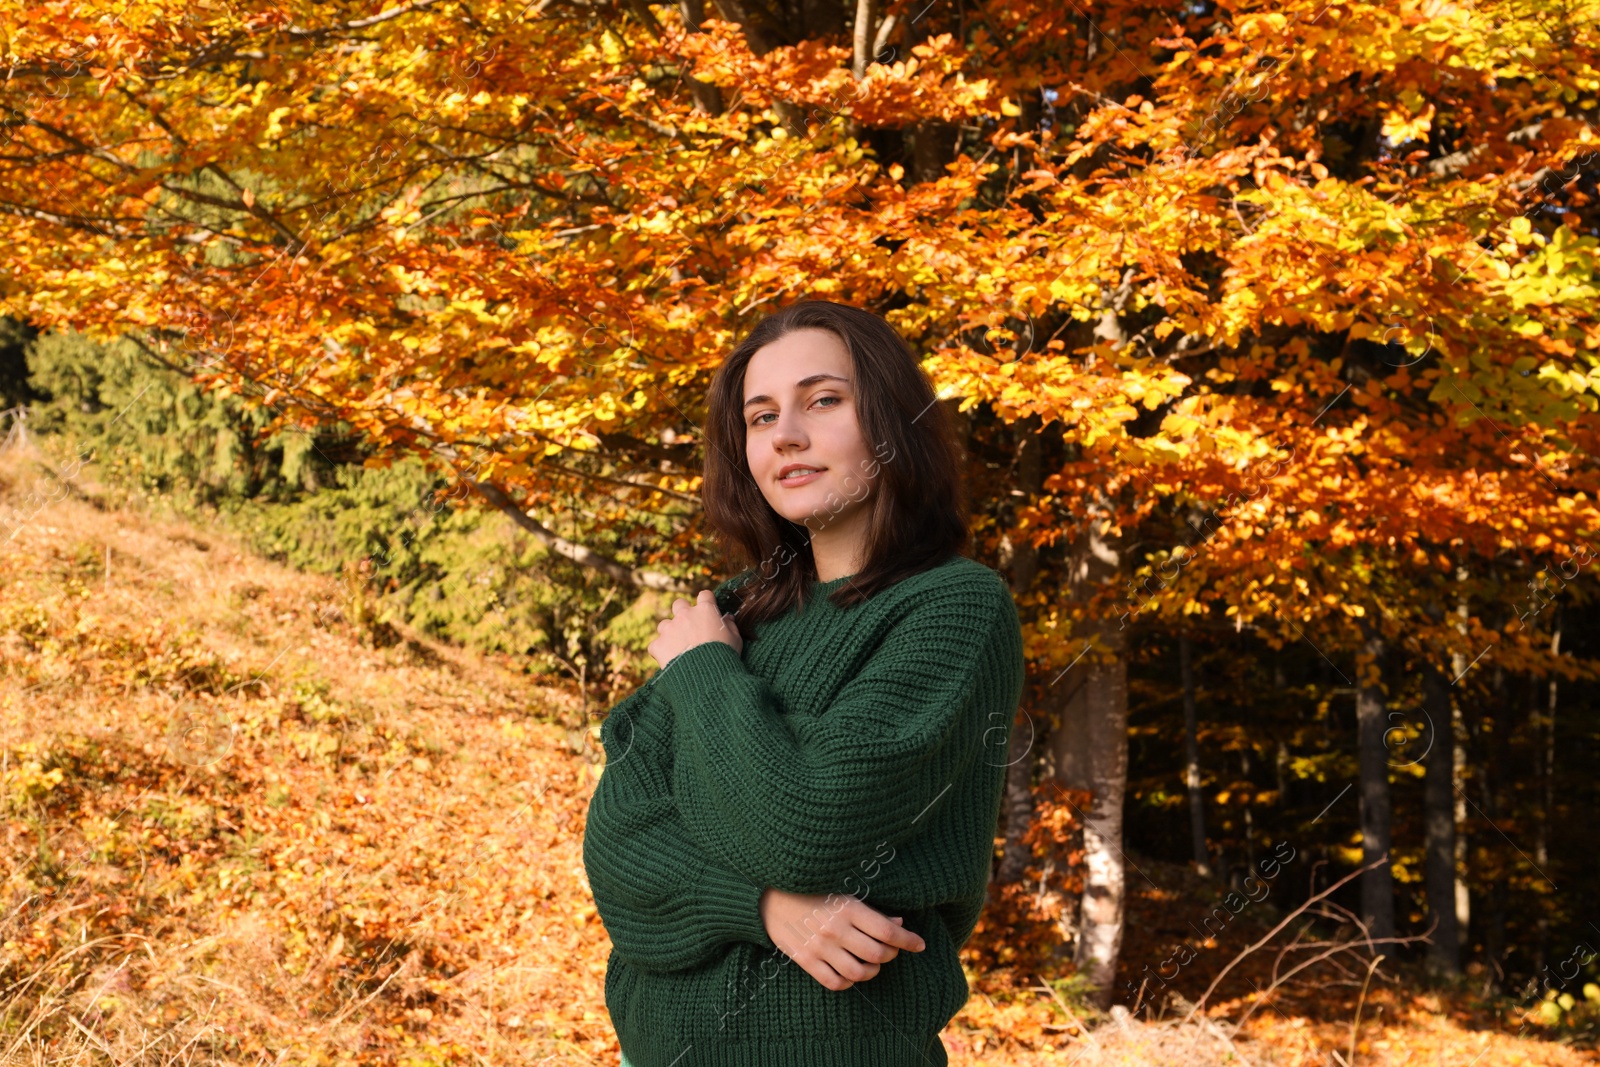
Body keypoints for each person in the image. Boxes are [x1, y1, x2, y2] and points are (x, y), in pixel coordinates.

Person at [582, 299, 1025, 1066]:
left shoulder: (953, 606)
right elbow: (617, 845)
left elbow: (811, 825)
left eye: (823, 399)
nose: (785, 433)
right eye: (759, 416)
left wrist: (703, 672)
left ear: (890, 421)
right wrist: (762, 907)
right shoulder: (731, 612)